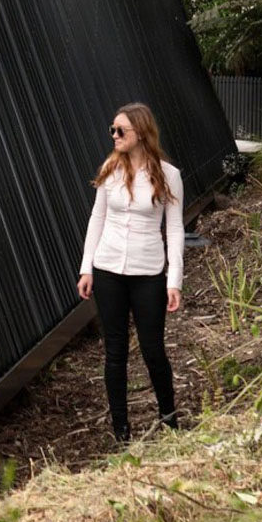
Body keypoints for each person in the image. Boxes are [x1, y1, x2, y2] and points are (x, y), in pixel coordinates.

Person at [77, 102, 183, 442]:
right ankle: (121, 431)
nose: (114, 135)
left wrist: (174, 279)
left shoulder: (169, 176)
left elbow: (176, 229)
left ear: (141, 133)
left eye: (121, 130)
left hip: (148, 271)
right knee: (115, 351)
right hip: (108, 270)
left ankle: (170, 421)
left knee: (153, 348)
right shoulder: (111, 168)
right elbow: (98, 218)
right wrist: (87, 268)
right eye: (112, 129)